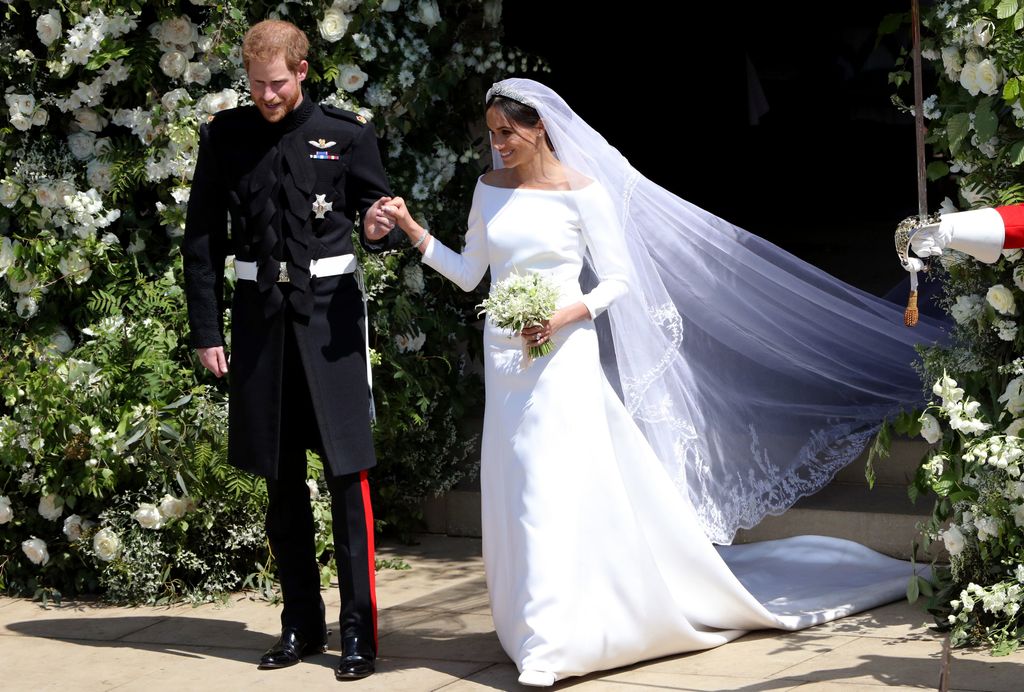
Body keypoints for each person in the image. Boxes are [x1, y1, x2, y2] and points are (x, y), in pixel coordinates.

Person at [373, 78, 949, 686]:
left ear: (539, 127)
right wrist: (414, 230)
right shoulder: (488, 190)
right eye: (491, 133)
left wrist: (570, 312)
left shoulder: (582, 193)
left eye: (507, 131)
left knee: (549, 485)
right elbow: (469, 276)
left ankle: (552, 641)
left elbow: (619, 279)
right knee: (515, 487)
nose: (498, 144)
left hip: (564, 353)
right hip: (506, 356)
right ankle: (528, 622)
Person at [182, 19, 402, 681]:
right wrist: (207, 330)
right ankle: (301, 625)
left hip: (329, 329)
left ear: (302, 71)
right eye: (256, 85)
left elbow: (377, 217)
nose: (267, 96)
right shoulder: (226, 136)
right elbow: (201, 240)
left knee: (347, 482)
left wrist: (376, 225)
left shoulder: (347, 133)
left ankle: (359, 635)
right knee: (281, 490)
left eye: (277, 84)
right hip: (258, 327)